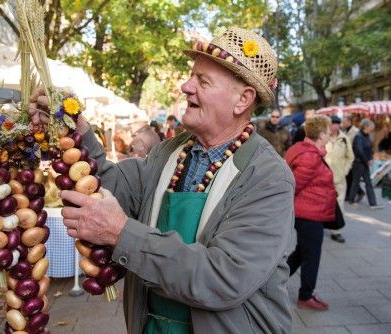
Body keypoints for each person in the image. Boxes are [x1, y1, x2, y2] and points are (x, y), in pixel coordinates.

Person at [35, 27, 294, 333]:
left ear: (243, 100)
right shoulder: (169, 152)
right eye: (191, 75)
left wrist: (120, 234)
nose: (186, 86)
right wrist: (76, 128)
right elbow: (111, 187)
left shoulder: (268, 177)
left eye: (203, 81)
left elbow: (223, 279)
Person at [285, 115, 335, 311]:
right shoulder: (310, 156)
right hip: (308, 213)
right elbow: (293, 186)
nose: (330, 134)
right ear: (321, 134)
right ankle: (306, 296)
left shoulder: (303, 149)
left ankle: (271, 282)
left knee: (301, 252)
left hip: (307, 211)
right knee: (311, 255)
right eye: (328, 131)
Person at [325, 116, 354, 243]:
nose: (334, 126)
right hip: (323, 178)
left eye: (336, 124)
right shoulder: (323, 137)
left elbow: (350, 157)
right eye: (332, 124)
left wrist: (345, 171)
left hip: (339, 179)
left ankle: (336, 232)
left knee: (339, 204)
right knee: (323, 203)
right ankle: (320, 225)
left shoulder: (344, 139)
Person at [347, 119, 383, 209]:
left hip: (365, 162)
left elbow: (369, 149)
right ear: (366, 126)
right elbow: (359, 150)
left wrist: (370, 158)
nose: (372, 127)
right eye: (371, 126)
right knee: (356, 182)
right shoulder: (358, 136)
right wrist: (367, 160)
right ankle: (351, 200)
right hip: (358, 163)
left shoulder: (367, 135)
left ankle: (373, 204)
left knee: (368, 183)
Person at [341, 114, 364, 201]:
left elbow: (356, 145)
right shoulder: (345, 130)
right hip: (346, 156)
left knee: (350, 176)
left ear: (349, 122)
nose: (342, 123)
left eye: (344, 122)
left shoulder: (355, 131)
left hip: (353, 156)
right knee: (349, 176)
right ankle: (353, 193)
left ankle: (358, 192)